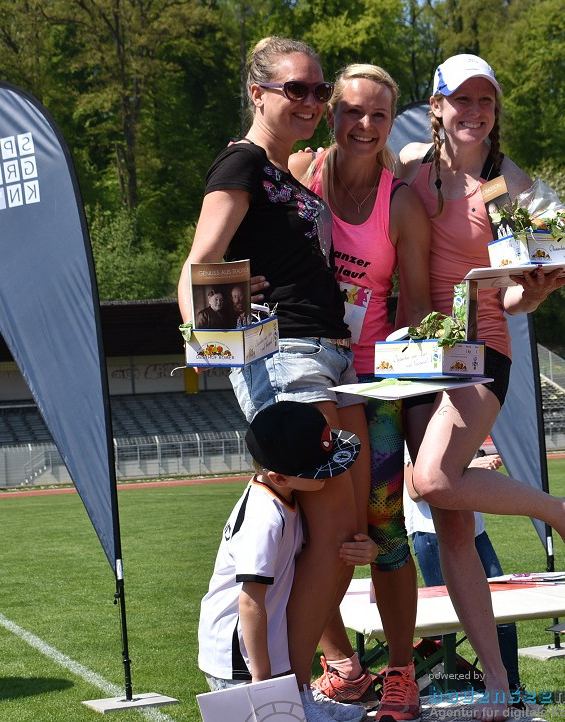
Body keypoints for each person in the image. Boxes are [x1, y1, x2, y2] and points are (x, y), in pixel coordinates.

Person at [397, 53, 565, 720]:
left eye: (486, 101)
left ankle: (559, 510)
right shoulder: (408, 166)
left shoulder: (509, 182)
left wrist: (536, 286)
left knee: (429, 480)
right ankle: (495, 678)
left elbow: (524, 285)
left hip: (479, 353)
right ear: (437, 106)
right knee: (452, 529)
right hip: (414, 357)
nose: (475, 112)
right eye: (463, 100)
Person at [177, 36, 370, 718]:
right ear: (258, 92)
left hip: (327, 351)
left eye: (320, 91)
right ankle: (280, 696)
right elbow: (200, 261)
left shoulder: (282, 174)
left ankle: (300, 683)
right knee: (330, 522)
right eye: (298, 89)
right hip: (284, 354)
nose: (313, 101)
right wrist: (206, 335)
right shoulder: (242, 163)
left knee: (343, 527)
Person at [289, 63, 432, 721]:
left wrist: (399, 401)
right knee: (304, 526)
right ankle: (343, 665)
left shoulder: (400, 204)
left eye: (379, 114)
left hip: (373, 388)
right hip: (308, 377)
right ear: (331, 113)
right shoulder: (299, 176)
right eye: (352, 111)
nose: (366, 125)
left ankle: (401, 673)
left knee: (384, 528)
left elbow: (421, 313)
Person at [197, 401, 374, 722]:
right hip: (240, 658)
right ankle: (293, 699)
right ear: (279, 478)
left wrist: (365, 550)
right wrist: (263, 681)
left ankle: (299, 696)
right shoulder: (263, 520)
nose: (331, 474)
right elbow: (250, 603)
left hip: (266, 644)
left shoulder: (284, 496)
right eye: (321, 470)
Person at [402, 453, 522, 695]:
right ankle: (439, 690)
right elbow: (414, 489)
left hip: (475, 532)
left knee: (504, 613)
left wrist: (479, 468)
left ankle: (511, 688)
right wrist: (470, 466)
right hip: (434, 535)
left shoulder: (461, 420)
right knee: (446, 624)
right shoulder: (417, 421)